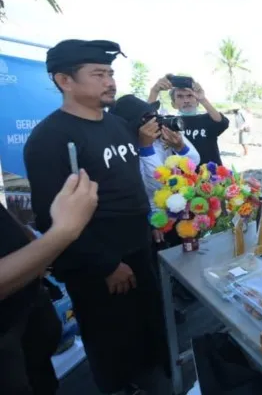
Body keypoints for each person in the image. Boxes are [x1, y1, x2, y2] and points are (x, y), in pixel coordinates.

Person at [23, 39, 168, 395]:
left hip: (140, 250)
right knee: (111, 347)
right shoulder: (49, 138)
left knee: (150, 333)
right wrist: (104, 264)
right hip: (98, 266)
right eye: (98, 74)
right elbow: (49, 218)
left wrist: (152, 228)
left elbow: (130, 188)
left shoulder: (119, 126)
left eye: (111, 73)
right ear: (64, 80)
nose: (110, 81)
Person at [0, 171, 97, 395]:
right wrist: (63, 232)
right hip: (5, 331)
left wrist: (27, 239)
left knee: (43, 380)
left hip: (30, 303)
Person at [108, 94, 201, 245]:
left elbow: (194, 161)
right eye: (148, 119)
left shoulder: (165, 135)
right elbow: (159, 183)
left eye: (155, 115)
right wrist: (146, 148)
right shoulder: (127, 148)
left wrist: (180, 146)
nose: (156, 122)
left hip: (179, 208)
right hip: (151, 216)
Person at [148, 75, 229, 165]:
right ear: (173, 104)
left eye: (190, 95)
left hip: (212, 176)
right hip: (180, 178)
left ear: (197, 101)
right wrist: (154, 91)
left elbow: (222, 123)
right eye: (180, 96)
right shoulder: (169, 122)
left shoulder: (207, 119)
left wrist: (203, 99)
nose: (186, 100)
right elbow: (148, 122)